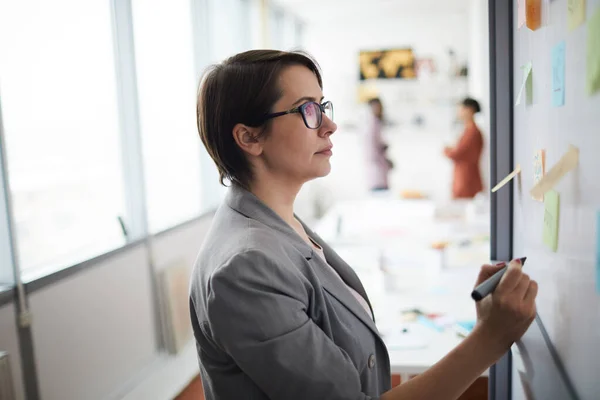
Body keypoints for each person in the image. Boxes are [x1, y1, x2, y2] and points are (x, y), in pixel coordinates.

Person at [190, 50, 538, 400]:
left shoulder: (277, 220)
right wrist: (490, 339)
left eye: (322, 107)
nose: (330, 125)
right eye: (306, 110)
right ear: (250, 138)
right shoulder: (246, 267)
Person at [444, 98, 484, 199]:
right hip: (463, 177)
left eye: (461, 109)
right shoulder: (467, 130)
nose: (459, 112)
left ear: (469, 110)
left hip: (466, 179)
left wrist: (446, 150)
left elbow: (457, 153)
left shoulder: (473, 132)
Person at [364, 97, 393, 191]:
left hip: (380, 167)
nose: (378, 109)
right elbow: (373, 148)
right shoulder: (372, 124)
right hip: (376, 168)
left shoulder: (377, 123)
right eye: (375, 107)